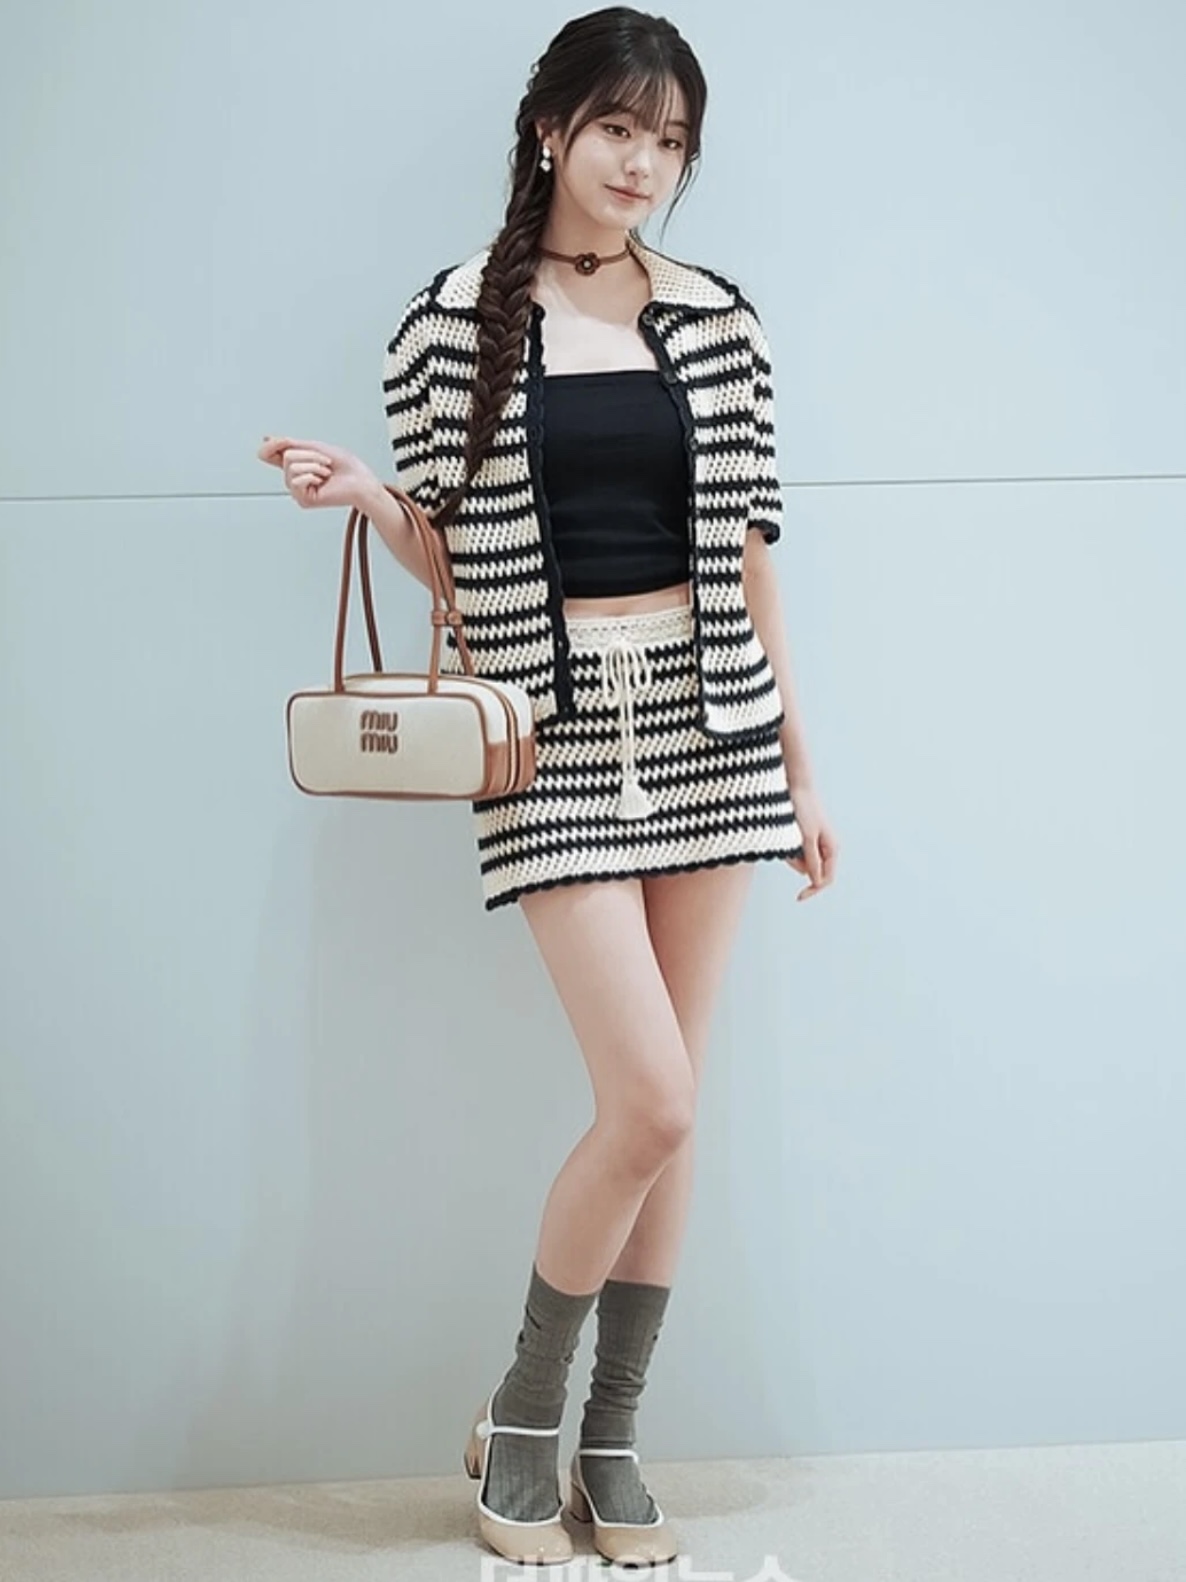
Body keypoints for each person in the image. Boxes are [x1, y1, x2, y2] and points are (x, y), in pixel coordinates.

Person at [259, 5, 838, 1566]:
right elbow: (458, 565)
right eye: (618, 128)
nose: (643, 162)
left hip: (711, 731)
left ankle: (613, 1431)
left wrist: (800, 764)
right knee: (647, 1095)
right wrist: (371, 496)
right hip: (550, 739)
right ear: (550, 129)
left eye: (670, 140)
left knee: (677, 1106)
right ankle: (524, 1408)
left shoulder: (717, 317)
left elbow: (752, 552)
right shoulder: (450, 322)